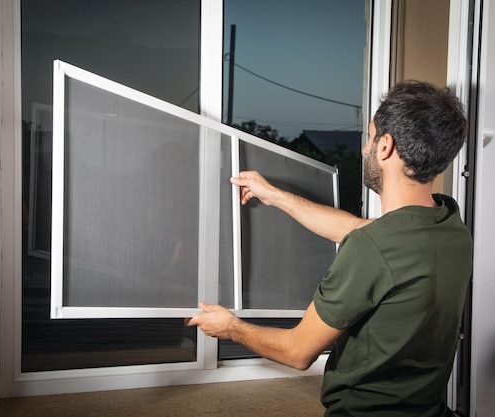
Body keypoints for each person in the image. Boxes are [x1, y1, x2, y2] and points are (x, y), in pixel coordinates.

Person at [186, 80, 472, 417]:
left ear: (385, 147)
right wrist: (276, 196)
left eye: (370, 137)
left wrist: (230, 327)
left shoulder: (373, 248)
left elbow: (297, 351)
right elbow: (355, 228)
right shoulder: (450, 225)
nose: (365, 149)